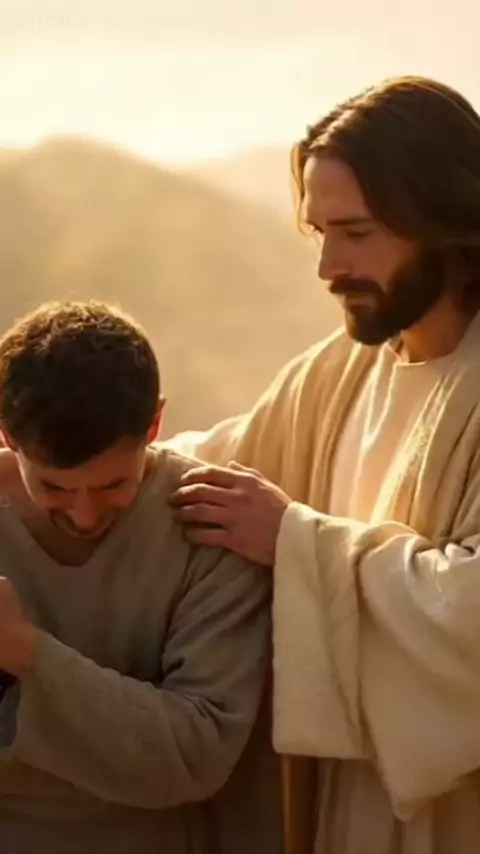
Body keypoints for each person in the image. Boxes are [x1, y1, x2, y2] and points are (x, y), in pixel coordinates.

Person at [168, 76, 480, 854]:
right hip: (345, 809)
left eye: (357, 232)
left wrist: (294, 542)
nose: (328, 267)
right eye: (319, 234)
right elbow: (215, 466)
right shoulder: (339, 374)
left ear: (445, 221)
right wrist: (38, 469)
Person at [0, 300, 282, 854]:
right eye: (55, 487)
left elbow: (196, 754)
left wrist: (27, 656)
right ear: (7, 434)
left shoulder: (212, 527)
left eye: (113, 486)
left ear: (155, 424)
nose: (85, 515)